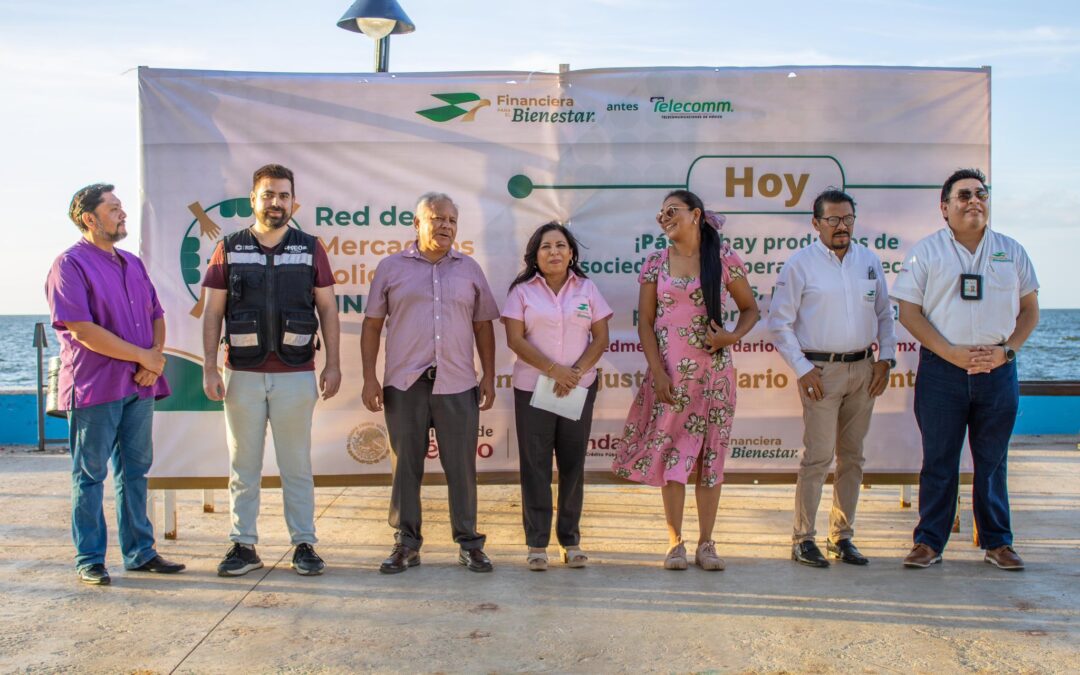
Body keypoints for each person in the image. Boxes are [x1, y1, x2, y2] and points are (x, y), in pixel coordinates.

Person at [891, 168, 1039, 571]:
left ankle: (997, 543)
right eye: (964, 195)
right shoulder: (926, 252)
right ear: (945, 207)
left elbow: (1029, 311)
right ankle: (929, 543)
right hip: (942, 371)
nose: (974, 201)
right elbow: (907, 311)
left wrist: (1007, 352)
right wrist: (950, 352)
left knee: (992, 462)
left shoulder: (1012, 251)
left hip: (997, 370)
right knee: (939, 460)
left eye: (981, 194)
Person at [202, 164, 341, 577]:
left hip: (296, 372)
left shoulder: (310, 248)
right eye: (268, 195)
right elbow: (212, 312)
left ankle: (304, 544)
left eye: (283, 195)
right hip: (241, 373)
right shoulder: (228, 248)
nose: (275, 202)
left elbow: (328, 308)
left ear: (293, 201)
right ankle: (243, 544)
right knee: (243, 464)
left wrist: (333, 363)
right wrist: (209, 367)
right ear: (253, 200)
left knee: (296, 463)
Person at [612, 190, 759, 570]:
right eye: (661, 212)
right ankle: (675, 543)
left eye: (672, 210)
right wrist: (657, 372)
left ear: (696, 215)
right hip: (672, 379)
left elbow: (750, 309)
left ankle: (707, 545)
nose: (664, 217)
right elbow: (644, 322)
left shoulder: (722, 258)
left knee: (710, 458)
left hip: (714, 379)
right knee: (673, 455)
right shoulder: (655, 263)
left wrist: (730, 337)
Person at [46, 183, 184, 585]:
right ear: (90, 218)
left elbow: (157, 314)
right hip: (95, 389)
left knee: (135, 472)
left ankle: (140, 552)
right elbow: (83, 330)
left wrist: (154, 360)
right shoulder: (68, 265)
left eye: (122, 207)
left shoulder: (132, 263)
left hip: (140, 386)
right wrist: (143, 357)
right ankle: (90, 558)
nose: (122, 214)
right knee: (89, 476)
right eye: (114, 208)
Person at [361, 192, 500, 574]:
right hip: (405, 384)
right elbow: (372, 324)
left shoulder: (469, 269)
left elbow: (483, 324)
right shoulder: (390, 268)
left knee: (462, 467)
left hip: (458, 382)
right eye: (437, 218)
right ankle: (407, 542)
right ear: (417, 223)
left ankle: (469, 542)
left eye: (452, 220)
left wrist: (488, 374)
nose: (445, 226)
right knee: (406, 466)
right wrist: (369, 377)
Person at [767, 188, 897, 568]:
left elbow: (885, 315)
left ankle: (842, 536)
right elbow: (779, 324)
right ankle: (802, 538)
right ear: (816, 223)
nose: (842, 227)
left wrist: (885, 360)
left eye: (848, 219)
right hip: (820, 373)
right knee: (819, 458)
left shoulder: (869, 260)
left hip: (864, 369)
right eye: (834, 220)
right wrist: (803, 369)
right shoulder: (800, 265)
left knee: (853, 458)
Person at [502, 223, 612, 570]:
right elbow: (515, 340)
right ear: (535, 255)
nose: (554, 252)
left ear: (571, 253)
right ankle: (537, 544)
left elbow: (600, 338)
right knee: (535, 466)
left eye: (560, 246)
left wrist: (574, 373)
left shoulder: (587, 289)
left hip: (577, 388)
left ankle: (570, 540)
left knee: (572, 464)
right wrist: (554, 370)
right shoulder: (522, 292)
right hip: (534, 389)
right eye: (546, 246)